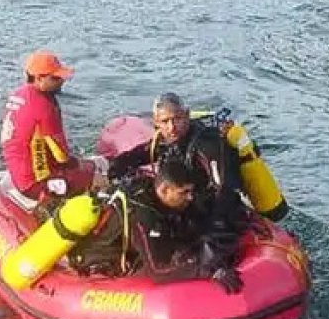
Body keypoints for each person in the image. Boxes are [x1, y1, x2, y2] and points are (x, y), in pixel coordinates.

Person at [71, 157, 243, 292]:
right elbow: (157, 271)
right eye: (184, 192)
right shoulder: (142, 214)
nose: (190, 197)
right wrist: (210, 271)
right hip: (103, 259)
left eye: (191, 191)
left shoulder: (163, 198)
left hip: (135, 245)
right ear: (164, 190)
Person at [106, 93, 248, 256]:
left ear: (187, 115)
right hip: (182, 203)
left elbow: (225, 190)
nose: (172, 127)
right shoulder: (166, 140)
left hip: (209, 210)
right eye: (165, 122)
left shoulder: (208, 145)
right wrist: (113, 171)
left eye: (177, 119)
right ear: (156, 122)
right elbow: (136, 156)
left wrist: (214, 236)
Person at [1, 51, 96, 205]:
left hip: (17, 172)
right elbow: (62, 156)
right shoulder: (44, 107)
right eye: (55, 78)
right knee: (96, 175)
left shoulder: (18, 94)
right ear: (39, 78)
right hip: (36, 185)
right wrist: (83, 167)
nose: (62, 81)